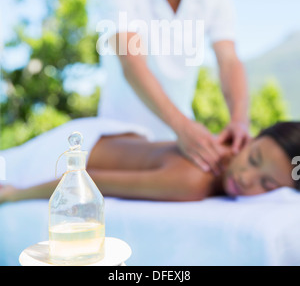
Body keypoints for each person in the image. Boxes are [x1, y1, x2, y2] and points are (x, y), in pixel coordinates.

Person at [97, 0, 249, 175]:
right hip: (119, 138)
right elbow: (132, 65)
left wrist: (240, 120)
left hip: (178, 141)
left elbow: (228, 61)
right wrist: (181, 127)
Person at [1, 120, 299, 204]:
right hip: (67, 152)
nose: (248, 177)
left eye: (267, 184)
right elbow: (89, 180)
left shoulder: (224, 154)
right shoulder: (193, 180)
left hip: (99, 135)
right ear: (250, 139)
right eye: (254, 158)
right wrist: (15, 194)